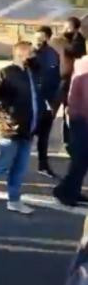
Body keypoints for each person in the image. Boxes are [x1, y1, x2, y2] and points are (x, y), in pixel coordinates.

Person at [0, 41, 45, 215]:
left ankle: (14, 200)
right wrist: (6, 108)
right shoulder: (6, 73)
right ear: (21, 55)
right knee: (4, 164)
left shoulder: (31, 74)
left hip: (28, 128)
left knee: (20, 168)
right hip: (9, 127)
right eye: (31, 53)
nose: (34, 56)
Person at [53, 54, 88, 207]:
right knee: (80, 158)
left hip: (79, 116)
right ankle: (64, 191)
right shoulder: (85, 65)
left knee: (82, 159)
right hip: (82, 118)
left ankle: (71, 190)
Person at [32, 26, 61, 178]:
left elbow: (55, 79)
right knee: (22, 136)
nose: (37, 40)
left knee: (43, 136)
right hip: (29, 102)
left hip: (46, 102)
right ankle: (8, 165)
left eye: (41, 37)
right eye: (36, 37)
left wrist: (52, 102)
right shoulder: (28, 53)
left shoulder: (53, 55)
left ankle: (43, 165)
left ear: (48, 38)